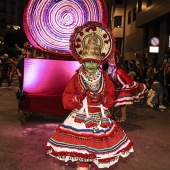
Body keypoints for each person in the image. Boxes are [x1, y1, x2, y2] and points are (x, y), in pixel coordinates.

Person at [45, 22, 134, 169]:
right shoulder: (76, 78)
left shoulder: (105, 78)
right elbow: (66, 98)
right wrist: (78, 98)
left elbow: (110, 98)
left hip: (100, 119)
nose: (91, 66)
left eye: (94, 62)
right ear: (82, 61)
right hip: (80, 119)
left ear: (99, 62)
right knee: (83, 158)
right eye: (88, 62)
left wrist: (102, 99)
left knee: (94, 155)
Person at [106, 51, 147, 122]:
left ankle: (123, 117)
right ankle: (111, 115)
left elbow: (126, 80)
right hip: (117, 87)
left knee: (122, 102)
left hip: (124, 86)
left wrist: (129, 86)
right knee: (112, 100)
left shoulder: (118, 71)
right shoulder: (109, 71)